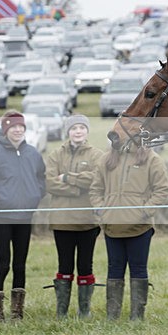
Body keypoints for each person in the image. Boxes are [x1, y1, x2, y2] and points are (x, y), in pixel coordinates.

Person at [0, 111, 46, 321]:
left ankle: (17, 311)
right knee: (3, 263)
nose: (18, 130)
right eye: (13, 127)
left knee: (20, 264)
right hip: (2, 217)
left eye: (21, 127)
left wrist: (36, 194)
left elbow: (41, 178)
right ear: (5, 130)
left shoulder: (32, 153)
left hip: (25, 216)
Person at [90, 141, 168, 321]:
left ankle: (137, 316)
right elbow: (96, 189)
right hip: (112, 226)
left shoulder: (151, 158)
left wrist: (144, 211)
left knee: (138, 269)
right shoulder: (107, 158)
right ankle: (112, 315)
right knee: (114, 268)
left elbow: (162, 189)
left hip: (140, 227)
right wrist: (101, 210)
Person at [45, 115, 103, 319]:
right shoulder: (55, 155)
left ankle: (84, 310)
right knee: (64, 265)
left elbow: (95, 179)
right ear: (67, 131)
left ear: (87, 131)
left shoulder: (97, 155)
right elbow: (49, 183)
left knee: (85, 265)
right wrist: (77, 190)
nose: (78, 132)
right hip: (62, 221)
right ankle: (62, 311)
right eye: (74, 128)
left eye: (81, 128)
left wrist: (68, 178)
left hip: (87, 222)